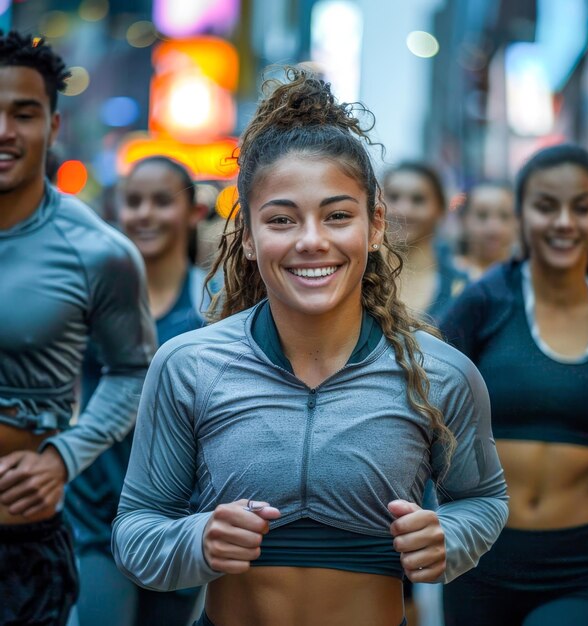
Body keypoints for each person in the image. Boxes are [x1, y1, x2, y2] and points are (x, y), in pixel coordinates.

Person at [112, 68, 508, 626]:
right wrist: (197, 540)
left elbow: (485, 500)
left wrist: (451, 537)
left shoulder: (440, 373)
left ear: (374, 226)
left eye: (338, 215)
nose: (311, 240)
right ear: (248, 237)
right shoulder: (188, 366)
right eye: (281, 220)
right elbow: (136, 530)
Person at [0, 31, 155, 625]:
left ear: (54, 124)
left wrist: (66, 455)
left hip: (20, 549)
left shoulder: (99, 251)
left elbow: (135, 370)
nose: (5, 131)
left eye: (24, 113)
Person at [440, 144, 588, 626]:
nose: (564, 222)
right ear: (522, 213)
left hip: (581, 564)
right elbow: (422, 398)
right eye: (546, 206)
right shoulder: (485, 301)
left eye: (581, 207)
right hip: (479, 556)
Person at [65, 156, 213, 626]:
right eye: (133, 201)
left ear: (193, 211)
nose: (145, 213)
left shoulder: (214, 304)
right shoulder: (90, 292)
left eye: (161, 201)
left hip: (180, 514)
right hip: (95, 509)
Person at [383, 162, 468, 323]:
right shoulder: (360, 275)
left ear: (440, 209)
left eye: (418, 200)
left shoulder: (461, 286)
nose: (404, 210)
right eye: (393, 197)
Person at [455, 180, 518, 281]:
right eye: (482, 216)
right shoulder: (448, 274)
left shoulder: (524, 278)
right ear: (464, 220)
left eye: (504, 216)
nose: (493, 229)